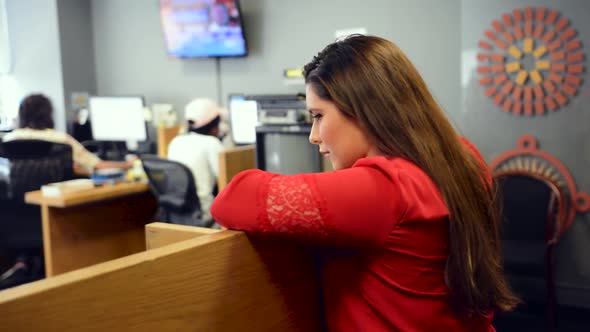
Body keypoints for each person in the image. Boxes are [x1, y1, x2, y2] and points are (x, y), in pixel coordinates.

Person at [210, 35, 518, 331]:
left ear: (362, 110)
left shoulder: (381, 188)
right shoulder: (463, 157)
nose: (313, 136)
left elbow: (232, 198)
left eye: (318, 116)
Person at [2, 94, 134, 173]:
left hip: (17, 206)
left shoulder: (9, 139)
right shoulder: (60, 139)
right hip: (58, 203)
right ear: (48, 114)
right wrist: (129, 164)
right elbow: (98, 166)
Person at [167, 98, 225, 224]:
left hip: (178, 212)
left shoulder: (176, 141)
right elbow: (228, 180)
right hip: (204, 213)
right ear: (214, 125)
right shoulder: (212, 143)